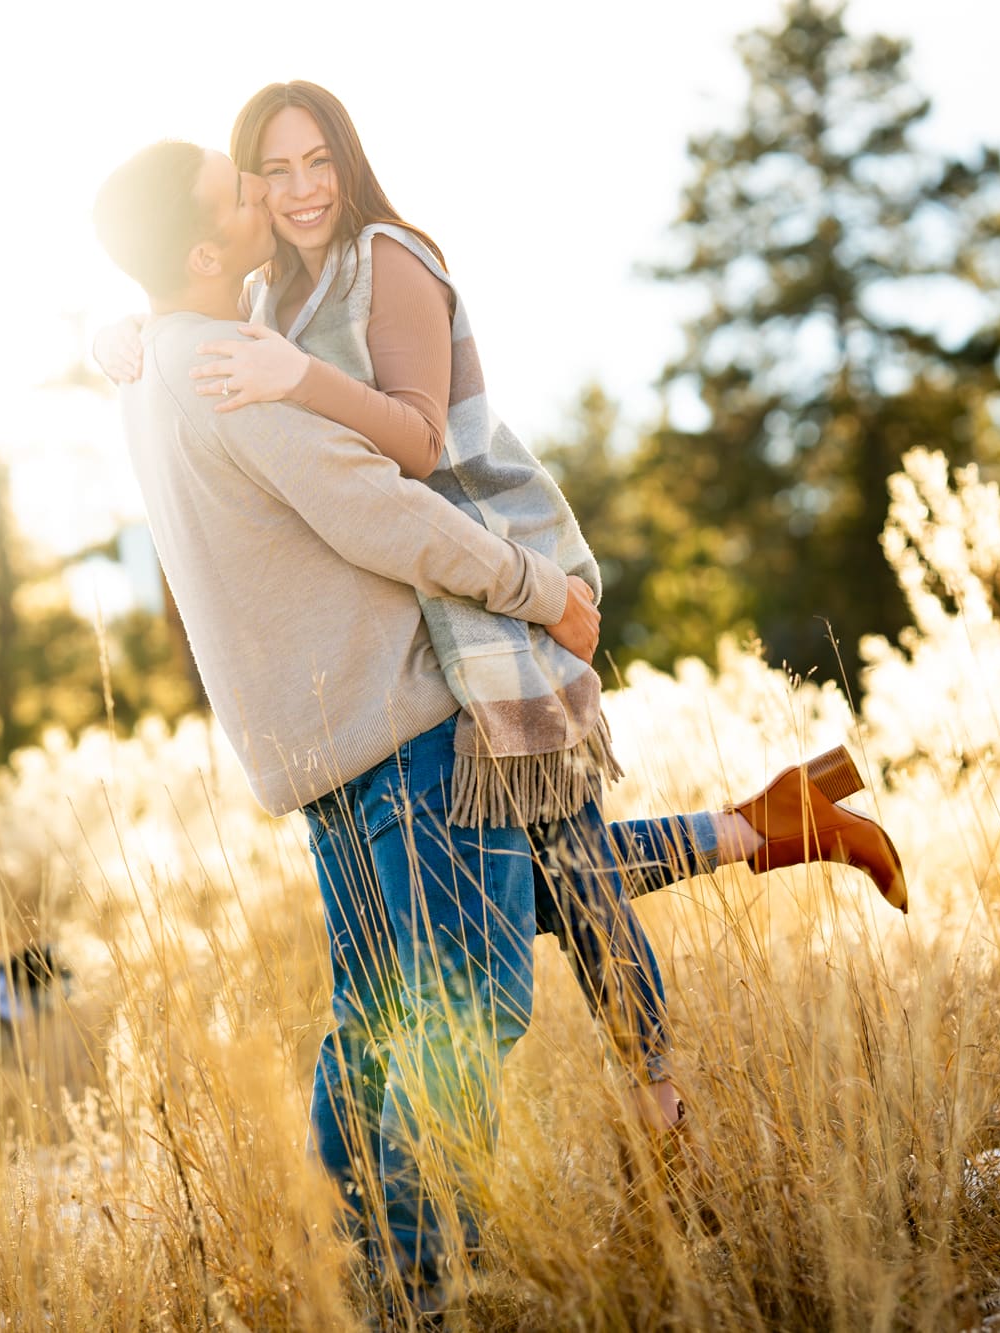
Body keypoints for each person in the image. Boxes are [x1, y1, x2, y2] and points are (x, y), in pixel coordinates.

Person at [92, 82, 907, 1139]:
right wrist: (126, 327)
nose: (287, 191)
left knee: (560, 861)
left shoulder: (387, 259)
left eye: (313, 163)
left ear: (348, 159)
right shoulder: (261, 296)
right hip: (428, 606)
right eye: (264, 172)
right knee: (548, 877)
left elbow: (421, 448)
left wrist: (293, 375)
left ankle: (657, 1102)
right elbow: (178, 307)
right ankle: (762, 829)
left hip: (496, 590)